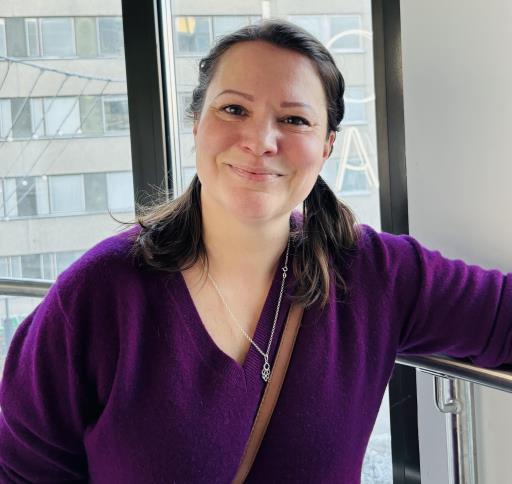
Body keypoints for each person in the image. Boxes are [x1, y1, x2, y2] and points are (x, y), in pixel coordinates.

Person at [0, 19, 511, 484]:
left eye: (294, 119)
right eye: (234, 109)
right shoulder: (98, 294)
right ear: (196, 122)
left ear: (327, 146)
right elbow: (22, 472)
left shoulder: (373, 274)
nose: (261, 140)